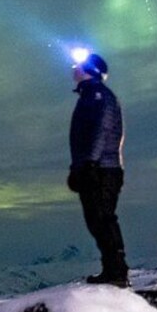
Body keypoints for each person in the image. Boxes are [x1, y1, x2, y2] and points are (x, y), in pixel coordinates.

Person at [67, 53, 129, 287]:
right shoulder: (90, 95)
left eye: (78, 65)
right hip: (98, 168)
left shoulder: (98, 95)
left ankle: (117, 273)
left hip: (103, 169)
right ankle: (112, 270)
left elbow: (100, 130)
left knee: (103, 219)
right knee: (97, 220)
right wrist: (78, 168)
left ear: (90, 71)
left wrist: (90, 164)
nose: (74, 68)